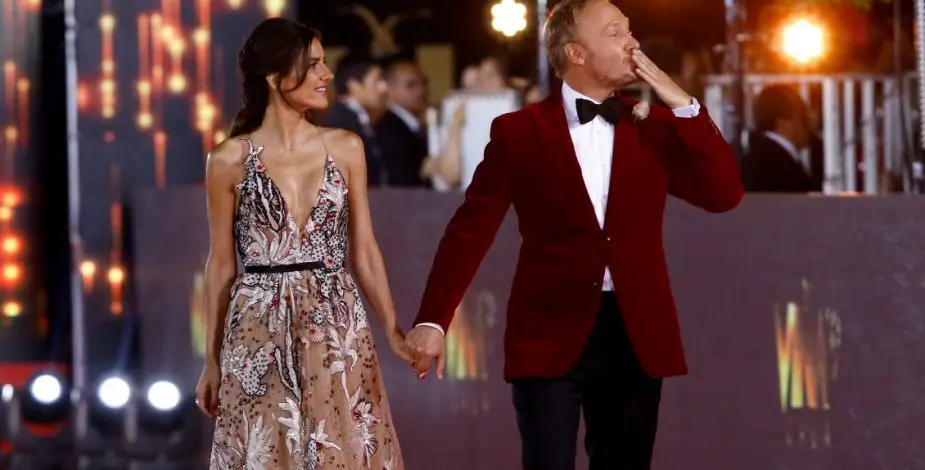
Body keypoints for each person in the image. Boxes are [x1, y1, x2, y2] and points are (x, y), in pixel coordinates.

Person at [405, 1, 743, 469]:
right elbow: (470, 230)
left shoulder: (654, 126)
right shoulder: (518, 133)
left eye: (630, 31)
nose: (632, 43)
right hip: (547, 330)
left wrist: (682, 103)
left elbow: (724, 194)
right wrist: (433, 320)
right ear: (576, 52)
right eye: (614, 33)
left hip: (634, 333)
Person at [196, 18, 408, 469]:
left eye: (324, 64)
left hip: (335, 322)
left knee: (345, 450)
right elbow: (220, 265)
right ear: (276, 78)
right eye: (313, 65)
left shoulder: (346, 147)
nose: (326, 75)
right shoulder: (228, 159)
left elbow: (364, 248)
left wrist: (392, 330)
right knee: (267, 454)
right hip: (258, 328)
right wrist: (211, 361)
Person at [322, 57, 390, 187]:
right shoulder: (340, 123)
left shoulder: (356, 119)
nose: (384, 87)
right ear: (354, 85)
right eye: (377, 80)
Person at [742, 84, 822, 192]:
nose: (810, 125)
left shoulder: (752, 157)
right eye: (804, 117)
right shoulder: (783, 169)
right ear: (783, 122)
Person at [376, 58, 431, 187]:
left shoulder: (410, 125)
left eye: (424, 83)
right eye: (411, 85)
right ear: (389, 88)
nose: (421, 90)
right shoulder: (390, 129)